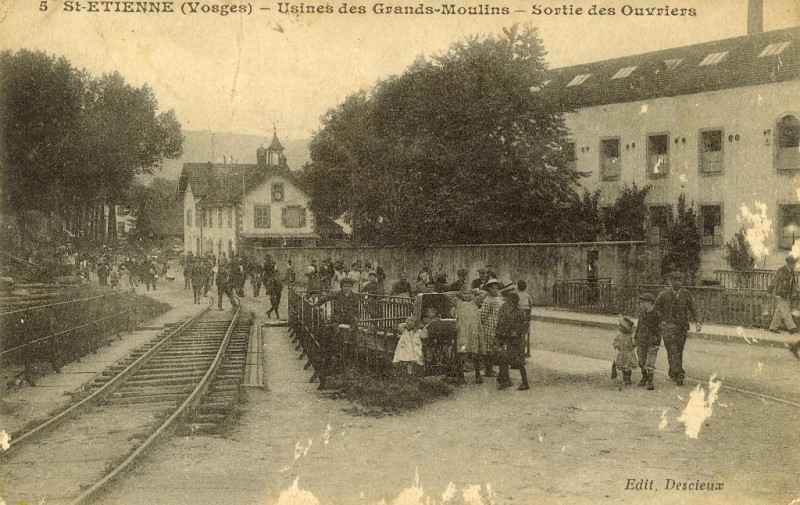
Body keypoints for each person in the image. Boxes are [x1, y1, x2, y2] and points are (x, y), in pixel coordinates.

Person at [313, 277, 360, 389]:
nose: (347, 288)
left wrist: (355, 318)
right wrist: (317, 304)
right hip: (339, 317)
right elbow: (326, 297)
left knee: (353, 330)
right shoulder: (338, 294)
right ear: (342, 286)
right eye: (345, 286)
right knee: (334, 331)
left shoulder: (354, 296)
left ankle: (351, 346)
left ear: (351, 287)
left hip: (349, 318)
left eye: (349, 286)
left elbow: (356, 310)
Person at [654, 271, 699, 386]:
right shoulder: (663, 294)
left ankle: (673, 371)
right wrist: (661, 320)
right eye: (675, 280)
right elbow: (656, 309)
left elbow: (693, 308)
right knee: (672, 350)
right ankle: (679, 373)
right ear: (670, 281)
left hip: (682, 327)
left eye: (680, 280)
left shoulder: (686, 294)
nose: (677, 283)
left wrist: (698, 321)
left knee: (679, 350)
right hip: (668, 327)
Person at [445, 286, 486, 384]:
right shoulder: (457, 302)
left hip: (473, 332)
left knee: (475, 353)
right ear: (461, 294)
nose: (467, 295)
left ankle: (478, 375)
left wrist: (473, 291)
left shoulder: (475, 301)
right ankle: (461, 377)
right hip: (463, 333)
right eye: (465, 293)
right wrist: (458, 292)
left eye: (469, 293)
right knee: (461, 353)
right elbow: (447, 294)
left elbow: (484, 293)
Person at [495, 292, 530, 390]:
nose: (508, 304)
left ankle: (525, 383)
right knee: (503, 359)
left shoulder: (519, 312)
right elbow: (500, 323)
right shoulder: (503, 309)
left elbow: (525, 325)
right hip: (506, 338)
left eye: (510, 302)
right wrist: (498, 337)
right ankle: (504, 380)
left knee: (519, 362)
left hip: (516, 340)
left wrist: (517, 333)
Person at [635, 293, 662, 390]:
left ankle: (650, 381)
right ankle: (644, 376)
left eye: (644, 303)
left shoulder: (656, 315)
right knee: (641, 361)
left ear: (650, 303)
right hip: (641, 341)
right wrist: (635, 338)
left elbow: (658, 330)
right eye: (641, 303)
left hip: (652, 342)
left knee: (650, 361)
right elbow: (638, 327)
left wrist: (657, 343)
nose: (642, 305)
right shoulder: (641, 314)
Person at [479, 278, 503, 378]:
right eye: (493, 288)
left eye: (496, 288)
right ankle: (488, 370)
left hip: (496, 326)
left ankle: (490, 369)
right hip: (489, 326)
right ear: (489, 289)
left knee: (493, 348)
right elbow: (483, 315)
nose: (495, 290)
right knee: (489, 349)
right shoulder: (487, 300)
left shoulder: (497, 299)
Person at [767, 255, 797, 336]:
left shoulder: (791, 272)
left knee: (779, 311)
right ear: (788, 263)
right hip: (779, 293)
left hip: (787, 294)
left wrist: (794, 292)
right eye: (792, 263)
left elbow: (793, 283)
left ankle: (773, 327)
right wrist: (770, 289)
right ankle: (791, 327)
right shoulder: (781, 271)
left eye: (793, 263)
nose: (793, 265)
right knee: (785, 310)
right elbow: (774, 280)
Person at [612, 316, 637, 385]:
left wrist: (633, 343)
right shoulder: (619, 336)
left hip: (629, 353)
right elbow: (615, 342)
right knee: (623, 367)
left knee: (628, 367)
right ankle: (625, 378)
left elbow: (634, 344)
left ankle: (628, 378)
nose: (620, 328)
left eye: (621, 327)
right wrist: (616, 345)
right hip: (622, 353)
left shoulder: (631, 336)